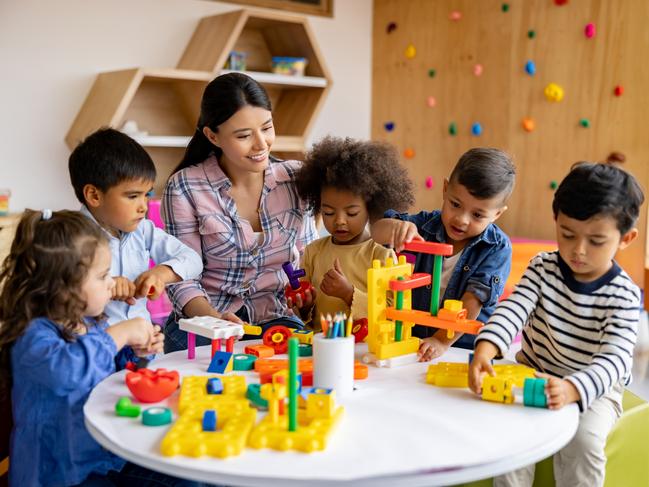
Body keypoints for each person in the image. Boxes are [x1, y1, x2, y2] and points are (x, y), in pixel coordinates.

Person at [469, 162, 644, 487]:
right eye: (567, 235)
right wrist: (486, 348)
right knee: (510, 435)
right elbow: (514, 309)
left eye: (596, 241)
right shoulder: (542, 267)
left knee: (585, 442)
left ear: (626, 238)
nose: (578, 250)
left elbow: (615, 359)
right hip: (532, 370)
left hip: (595, 389)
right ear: (556, 221)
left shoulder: (624, 294)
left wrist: (575, 389)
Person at [0, 210, 198, 486]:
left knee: (191, 475)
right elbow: (68, 371)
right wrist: (119, 334)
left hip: (105, 459)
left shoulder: (90, 324)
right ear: (64, 286)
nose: (112, 283)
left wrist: (137, 354)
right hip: (59, 475)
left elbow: (109, 375)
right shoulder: (34, 335)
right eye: (104, 275)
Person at [161, 72, 318, 353]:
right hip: (207, 321)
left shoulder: (296, 178)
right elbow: (181, 277)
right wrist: (212, 318)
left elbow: (309, 257)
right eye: (244, 135)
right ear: (212, 136)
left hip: (276, 317)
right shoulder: (185, 186)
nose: (261, 144)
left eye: (267, 128)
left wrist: (306, 296)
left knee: (301, 371)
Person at [371, 147, 515, 358]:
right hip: (416, 339)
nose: (461, 219)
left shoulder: (496, 248)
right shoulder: (425, 224)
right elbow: (376, 232)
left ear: (496, 214)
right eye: (455, 204)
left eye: (477, 215)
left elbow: (473, 301)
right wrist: (395, 228)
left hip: (461, 346)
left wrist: (441, 340)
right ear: (445, 189)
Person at [68, 128, 203, 328]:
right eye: (132, 196)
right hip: (99, 350)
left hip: (145, 345)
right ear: (94, 196)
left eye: (146, 195)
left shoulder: (143, 230)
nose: (143, 206)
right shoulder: (69, 237)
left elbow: (193, 260)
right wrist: (105, 285)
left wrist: (160, 274)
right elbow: (57, 296)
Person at [291, 136, 414, 328]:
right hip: (319, 345)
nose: (339, 221)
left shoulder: (381, 255)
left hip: (364, 348)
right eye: (328, 212)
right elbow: (306, 314)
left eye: (352, 212)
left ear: (371, 208)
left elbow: (393, 312)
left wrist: (349, 294)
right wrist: (304, 305)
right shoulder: (313, 251)